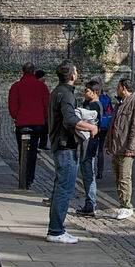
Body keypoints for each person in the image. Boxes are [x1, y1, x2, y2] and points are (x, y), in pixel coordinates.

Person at [46, 59, 98, 244]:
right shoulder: (66, 94)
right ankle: (56, 230)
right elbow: (69, 120)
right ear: (73, 75)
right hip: (65, 146)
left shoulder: (57, 92)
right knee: (64, 189)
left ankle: (56, 228)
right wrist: (89, 127)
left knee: (61, 187)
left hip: (60, 145)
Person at [103, 78, 135, 220]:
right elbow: (112, 126)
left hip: (126, 148)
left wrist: (131, 148)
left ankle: (127, 206)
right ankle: (122, 204)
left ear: (124, 88)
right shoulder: (119, 104)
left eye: (119, 87)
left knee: (124, 178)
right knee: (117, 176)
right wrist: (108, 143)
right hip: (116, 146)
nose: (117, 89)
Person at [8, 62, 49, 188]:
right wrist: (42, 116)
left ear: (22, 71)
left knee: (22, 150)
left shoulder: (16, 86)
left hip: (22, 122)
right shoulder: (41, 86)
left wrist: (17, 116)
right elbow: (46, 105)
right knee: (33, 151)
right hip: (37, 122)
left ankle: (23, 176)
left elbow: (12, 105)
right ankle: (30, 176)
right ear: (34, 71)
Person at [74, 79, 102, 216]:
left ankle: (91, 203)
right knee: (86, 173)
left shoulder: (95, 107)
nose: (84, 93)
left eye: (87, 91)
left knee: (88, 174)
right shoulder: (88, 104)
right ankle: (89, 202)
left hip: (90, 144)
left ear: (94, 92)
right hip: (87, 143)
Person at [94, 80, 112, 179]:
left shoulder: (94, 99)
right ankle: (100, 171)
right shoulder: (107, 98)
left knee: (92, 149)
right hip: (105, 125)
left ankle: (92, 170)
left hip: (95, 126)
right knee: (101, 149)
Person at [33, 69, 49, 149]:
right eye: (44, 76)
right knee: (42, 129)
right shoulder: (42, 86)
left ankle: (42, 144)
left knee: (43, 129)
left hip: (40, 111)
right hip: (41, 112)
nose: (45, 78)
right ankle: (40, 144)